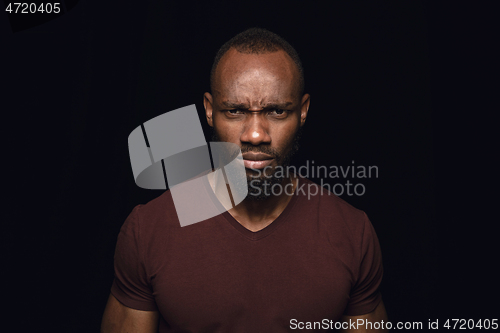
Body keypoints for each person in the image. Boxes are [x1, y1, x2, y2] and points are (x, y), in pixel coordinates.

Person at [101, 27, 388, 332]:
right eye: (235, 111)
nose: (255, 135)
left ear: (302, 112)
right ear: (210, 111)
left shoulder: (352, 232)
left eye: (277, 111)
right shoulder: (149, 228)